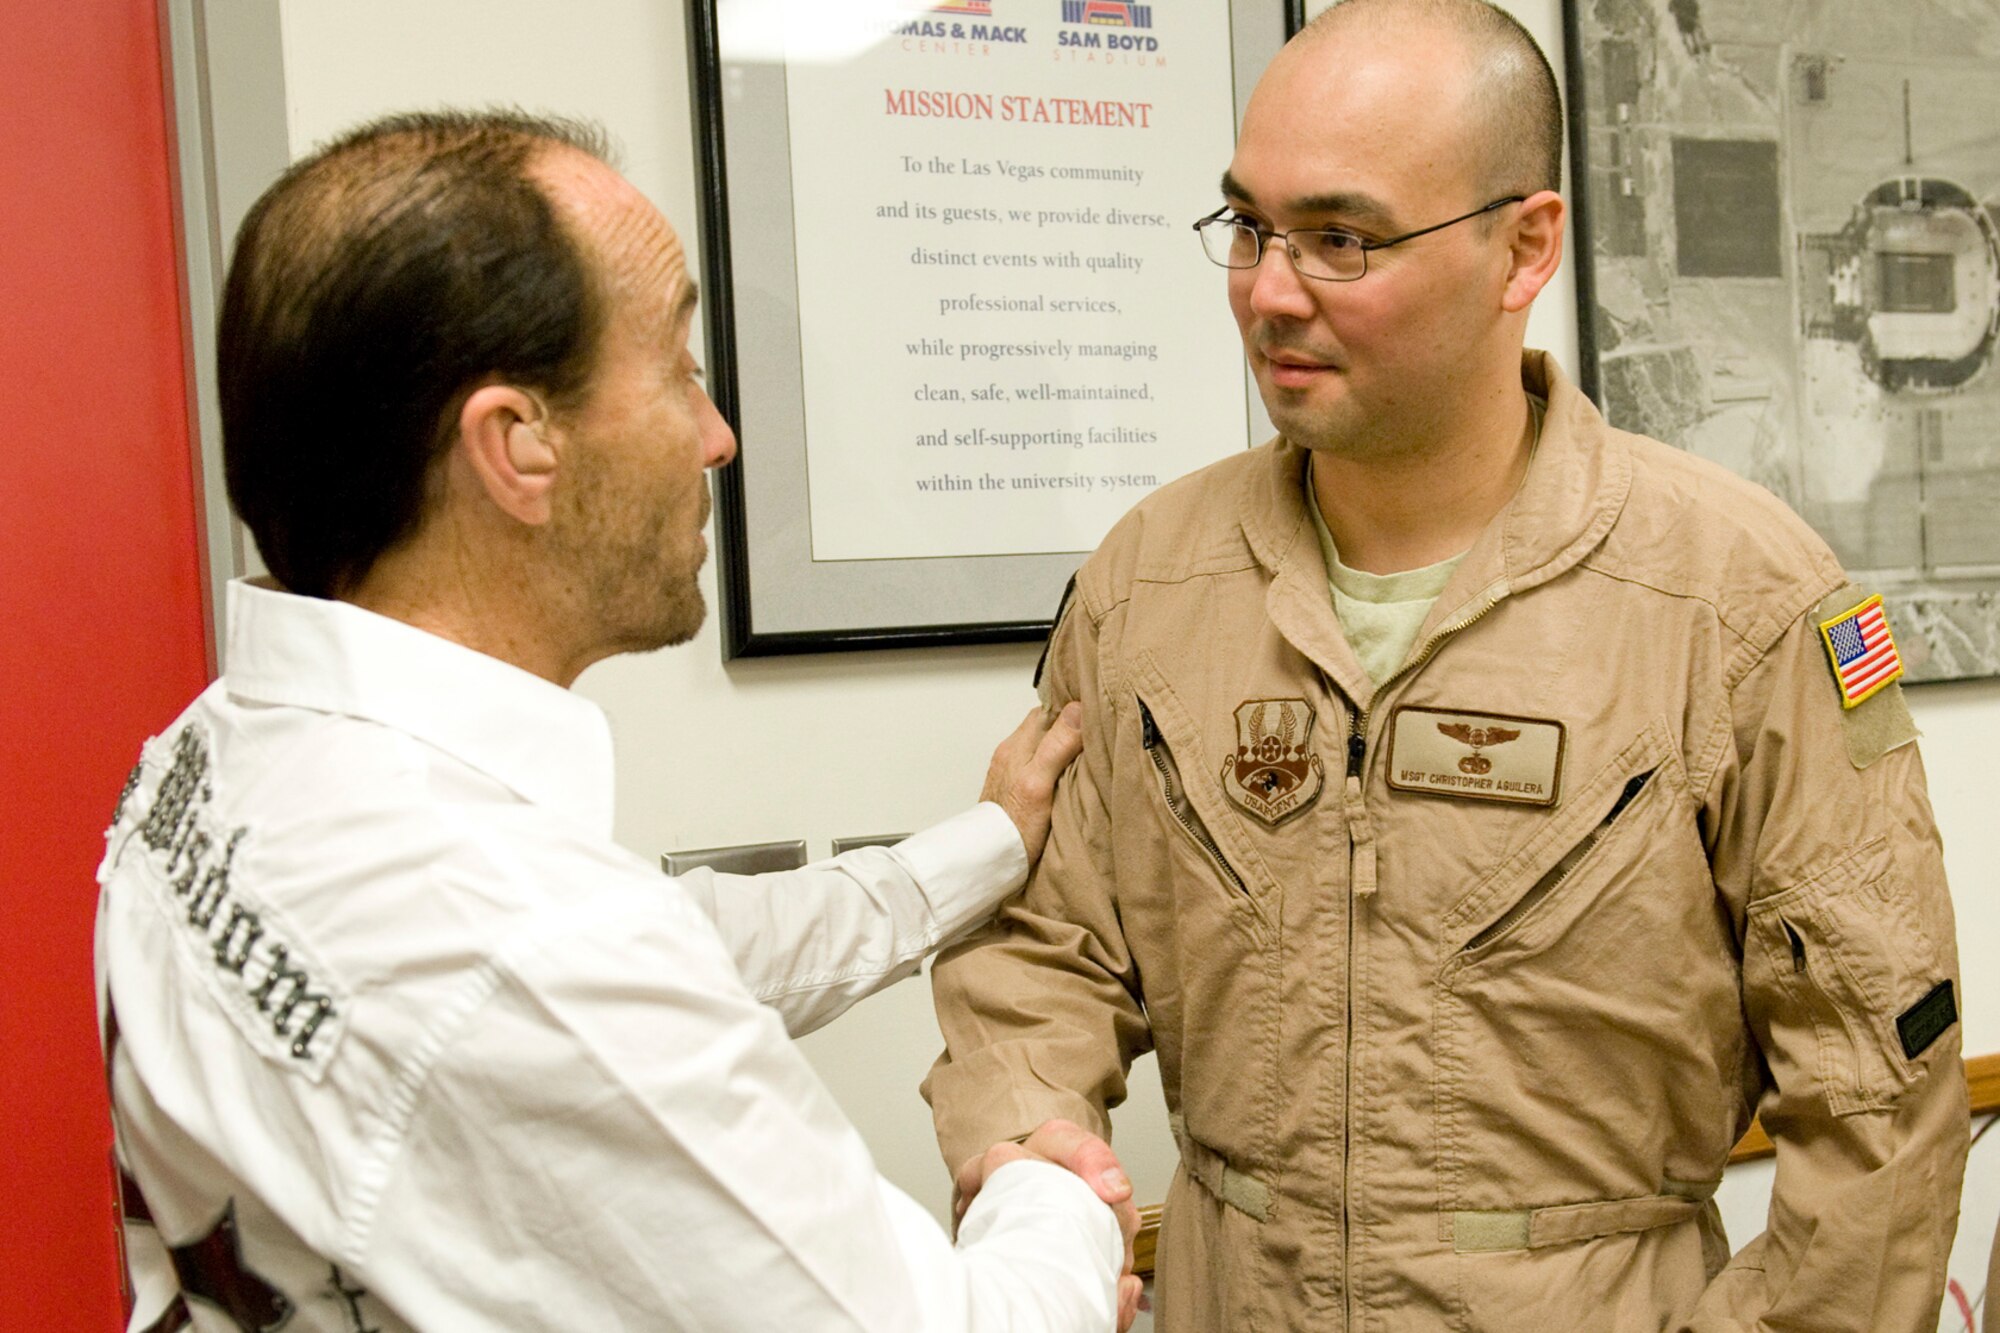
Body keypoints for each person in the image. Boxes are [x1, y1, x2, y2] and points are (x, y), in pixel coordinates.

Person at [925, 1, 1970, 1328]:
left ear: (1521, 247)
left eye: (1341, 239)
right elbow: (1042, 941)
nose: (1270, 288)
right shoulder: (1152, 581)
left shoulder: (1739, 603)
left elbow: (1879, 1095)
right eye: (1248, 227)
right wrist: (1028, 1145)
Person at [96, 110, 1144, 1331]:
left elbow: (658, 948)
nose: (716, 437)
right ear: (517, 444)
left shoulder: (218, 755)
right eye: (680, 369)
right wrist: (1050, 1194)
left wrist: (977, 849)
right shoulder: (523, 942)